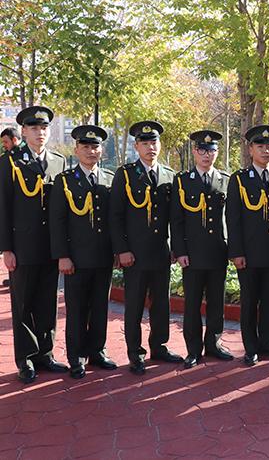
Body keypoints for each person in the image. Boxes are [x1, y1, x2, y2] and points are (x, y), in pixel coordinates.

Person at [0, 106, 67, 383]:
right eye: (34, 128)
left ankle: (45, 354)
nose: (40, 133)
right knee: (23, 303)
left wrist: (64, 248)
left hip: (50, 247)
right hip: (23, 246)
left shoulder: (58, 161)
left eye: (44, 128)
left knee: (46, 303)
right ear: (24, 132)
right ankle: (26, 358)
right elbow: (3, 207)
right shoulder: (9, 161)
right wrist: (6, 248)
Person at [110, 120, 181, 375]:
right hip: (135, 255)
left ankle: (159, 347)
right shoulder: (125, 174)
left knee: (162, 303)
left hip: (161, 253)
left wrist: (175, 246)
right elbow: (116, 215)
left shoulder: (168, 175)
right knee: (135, 305)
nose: (151, 147)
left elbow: (175, 217)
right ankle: (135, 353)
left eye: (154, 142)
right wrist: (122, 249)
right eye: (145, 143)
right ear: (136, 146)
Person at [50, 125, 117, 379]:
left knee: (100, 306)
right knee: (76, 308)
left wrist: (117, 252)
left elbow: (114, 220)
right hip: (75, 259)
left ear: (101, 150)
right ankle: (76, 356)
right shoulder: (65, 181)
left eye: (95, 146)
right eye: (86, 147)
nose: (91, 151)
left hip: (103, 257)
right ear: (76, 150)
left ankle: (97, 351)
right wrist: (62, 255)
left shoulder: (110, 179)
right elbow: (57, 222)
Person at [226, 124, 269, 366]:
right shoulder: (240, 179)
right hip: (249, 254)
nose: (266, 151)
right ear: (250, 149)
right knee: (250, 301)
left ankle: (268, 342)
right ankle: (251, 347)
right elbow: (232, 220)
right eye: (260, 146)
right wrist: (237, 252)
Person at [171, 130, 233, 369]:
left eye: (212, 150)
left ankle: (214, 344)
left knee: (217, 303)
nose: (208, 155)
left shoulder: (225, 180)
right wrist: (180, 251)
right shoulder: (183, 180)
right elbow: (176, 220)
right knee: (192, 304)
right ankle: (193, 349)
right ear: (195, 152)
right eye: (203, 150)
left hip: (217, 251)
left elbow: (231, 218)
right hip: (193, 254)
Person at [1, 126, 21, 286]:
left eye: (6, 142)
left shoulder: (13, 160)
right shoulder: (6, 160)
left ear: (15, 139)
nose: (4, 145)